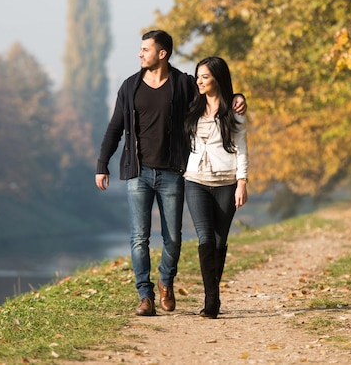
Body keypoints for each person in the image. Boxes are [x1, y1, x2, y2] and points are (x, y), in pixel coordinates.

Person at [95, 30, 246, 316]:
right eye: (140, 49)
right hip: (138, 172)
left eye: (145, 49)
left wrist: (238, 96)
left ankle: (166, 280)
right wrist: (103, 164)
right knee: (139, 237)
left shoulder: (182, 84)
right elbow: (115, 128)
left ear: (162, 54)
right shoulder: (130, 87)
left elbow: (212, 94)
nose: (140, 54)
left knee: (173, 238)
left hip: (173, 172)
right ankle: (145, 295)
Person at [183, 56, 248, 319]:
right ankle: (212, 300)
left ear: (217, 79)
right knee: (205, 238)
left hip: (226, 181)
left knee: (220, 240)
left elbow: (242, 149)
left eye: (205, 77)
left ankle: (213, 294)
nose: (199, 81)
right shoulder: (191, 106)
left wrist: (242, 182)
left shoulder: (235, 111)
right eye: (198, 76)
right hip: (195, 179)